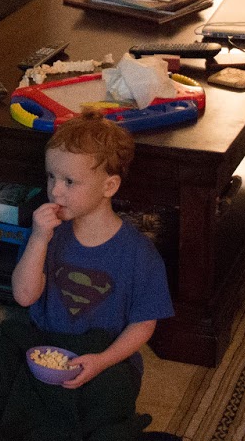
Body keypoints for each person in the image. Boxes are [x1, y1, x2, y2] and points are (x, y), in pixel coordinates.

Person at [11, 114, 173, 390]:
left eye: (69, 181)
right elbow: (24, 297)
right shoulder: (45, 233)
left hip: (105, 353)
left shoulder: (139, 253)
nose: (55, 191)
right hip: (46, 343)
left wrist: (103, 360)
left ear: (109, 186)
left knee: (111, 395)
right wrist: (38, 239)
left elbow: (144, 323)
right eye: (51, 177)